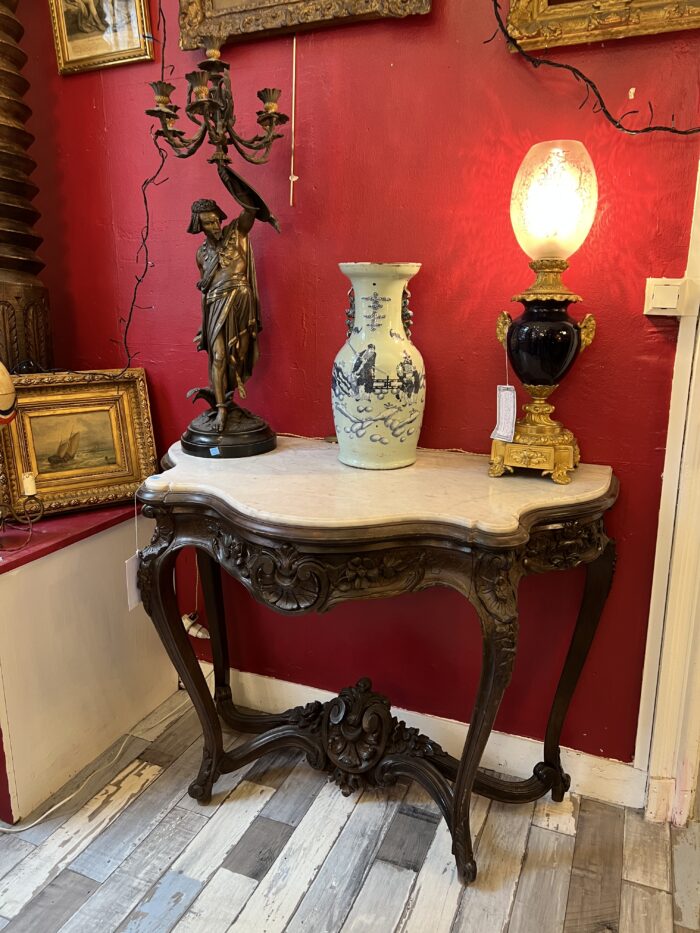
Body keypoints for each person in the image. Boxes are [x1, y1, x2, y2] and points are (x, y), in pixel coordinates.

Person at [188, 198, 262, 433]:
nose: (214, 226)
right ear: (199, 226)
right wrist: (203, 325)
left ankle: (227, 398)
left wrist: (225, 172)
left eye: (215, 220)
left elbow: (252, 206)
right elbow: (204, 290)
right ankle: (221, 408)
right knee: (219, 356)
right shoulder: (201, 254)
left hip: (240, 300)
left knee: (238, 356)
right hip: (214, 305)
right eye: (207, 223)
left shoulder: (237, 232)